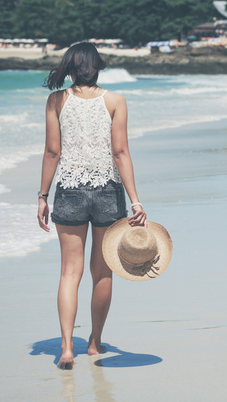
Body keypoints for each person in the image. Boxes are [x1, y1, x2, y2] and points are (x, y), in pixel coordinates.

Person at [37, 42, 146, 369]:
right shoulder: (115, 101)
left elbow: (52, 152)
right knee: (103, 273)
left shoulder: (56, 100)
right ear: (97, 67)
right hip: (108, 194)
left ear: (69, 66)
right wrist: (136, 200)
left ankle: (67, 347)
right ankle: (95, 343)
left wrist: (42, 196)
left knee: (70, 272)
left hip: (69, 191)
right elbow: (120, 152)